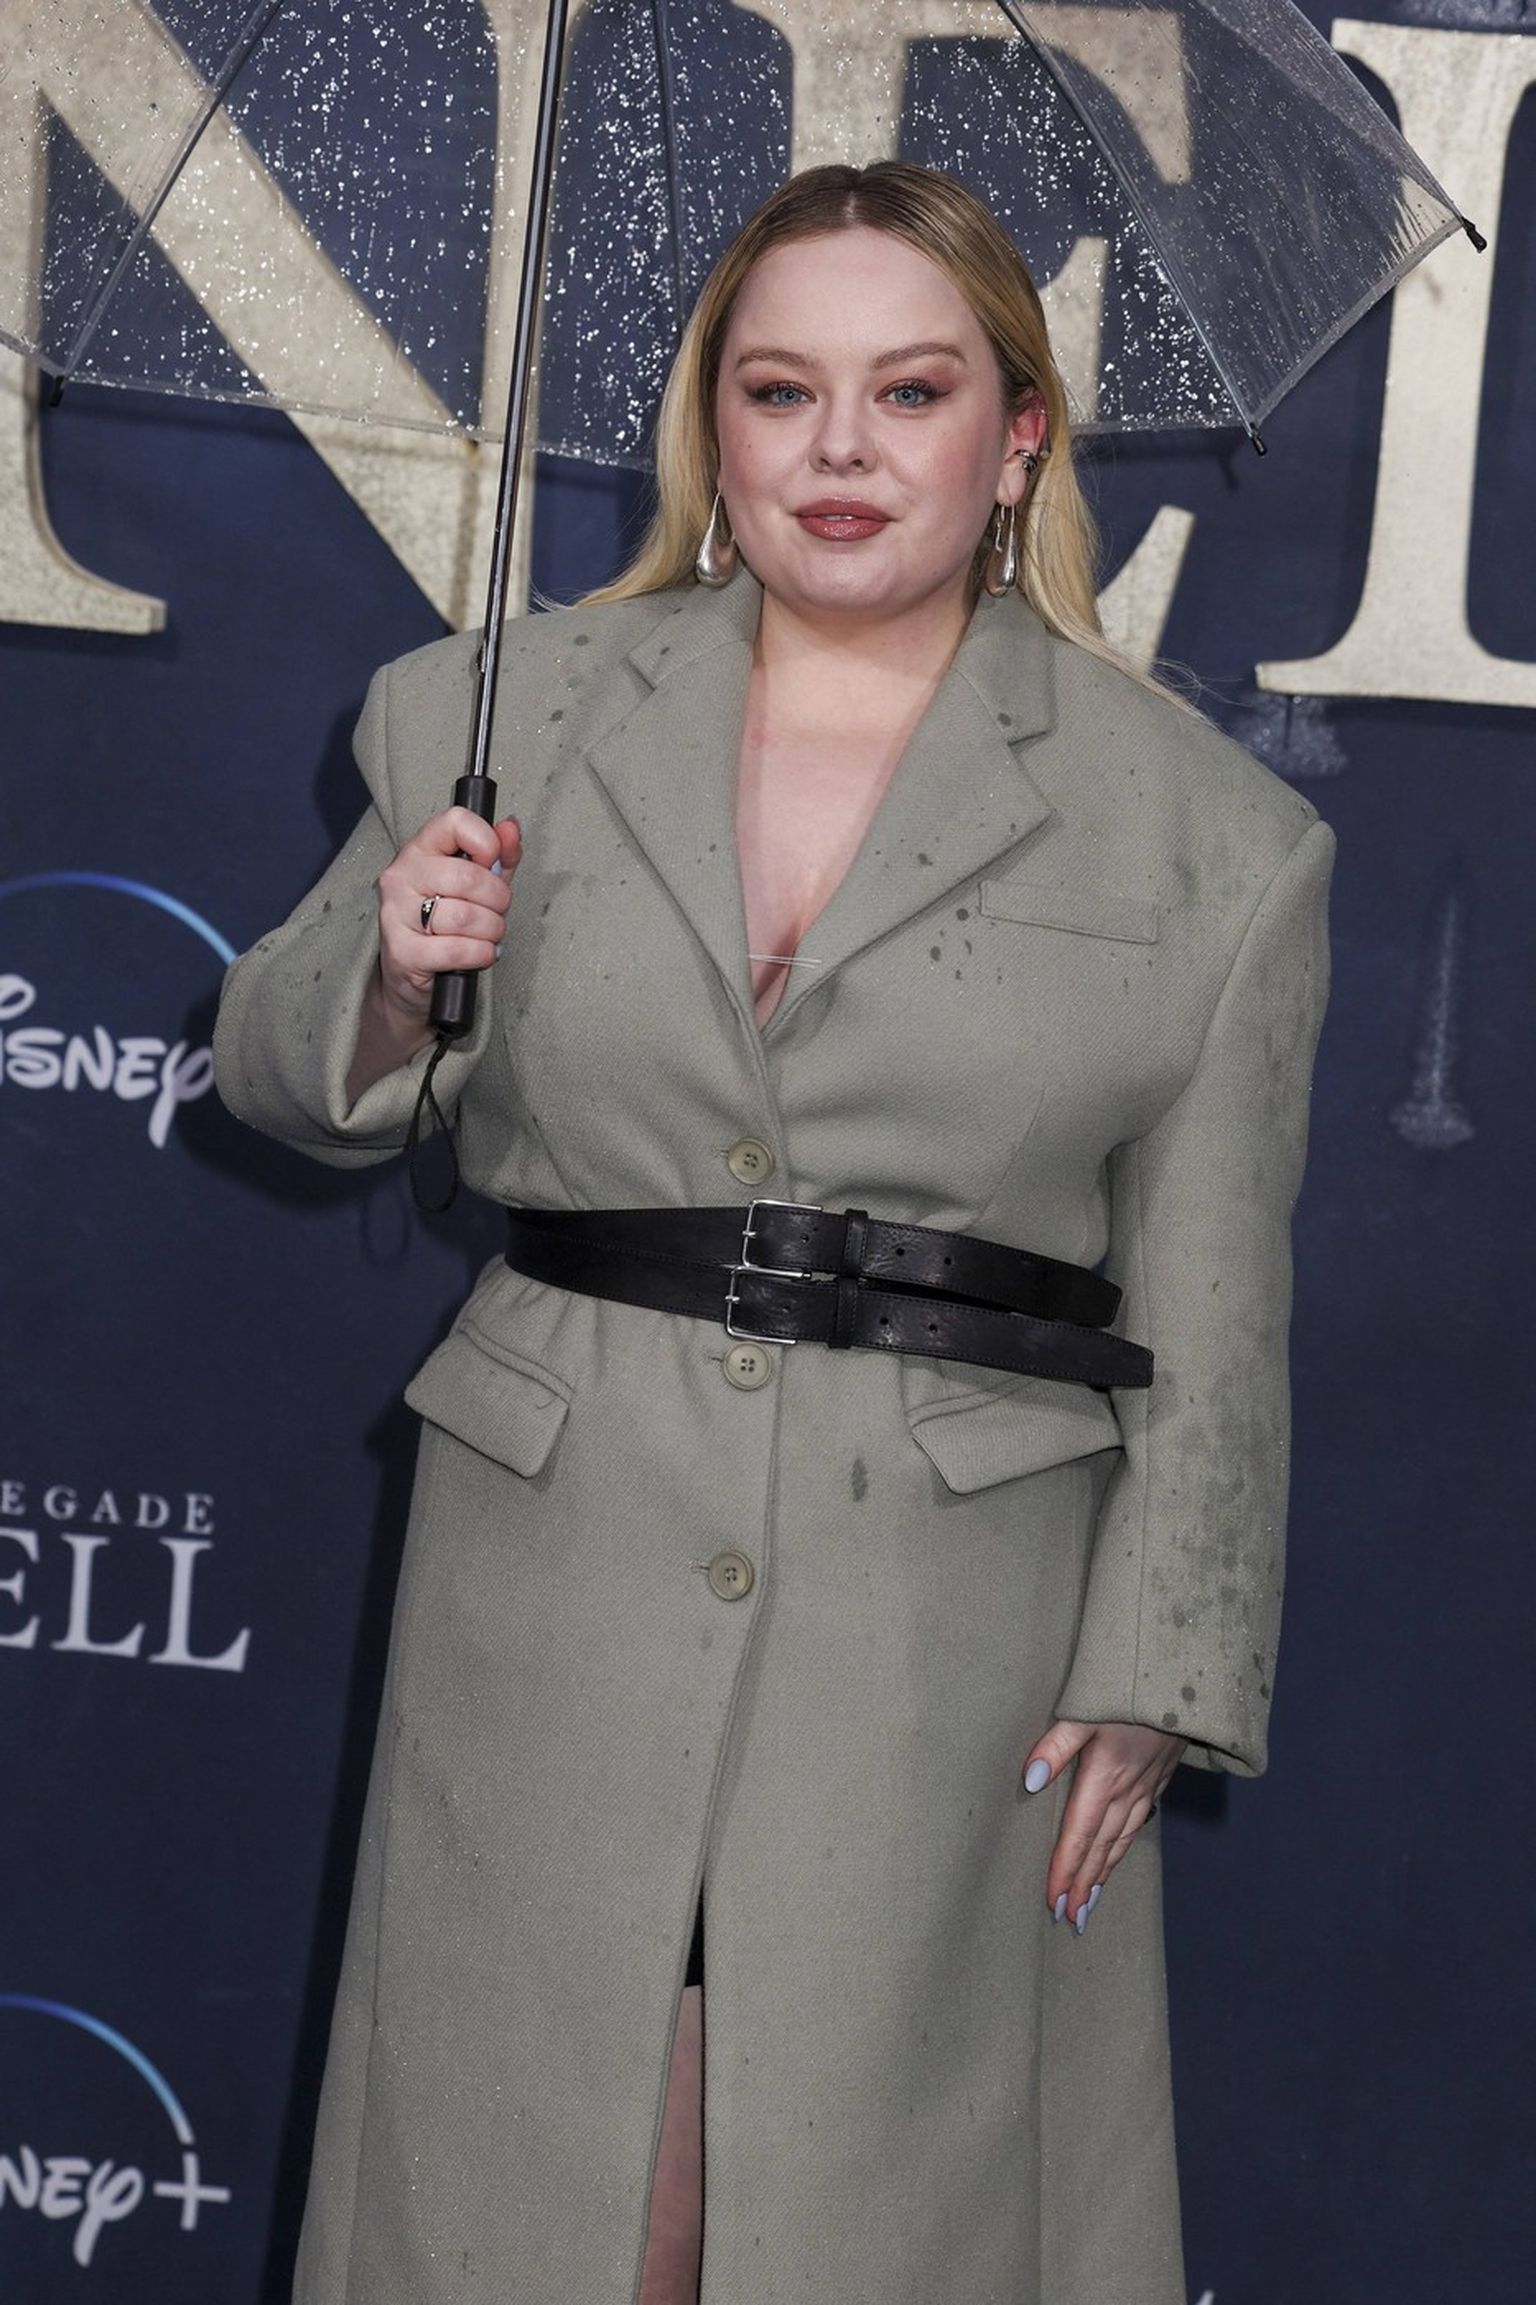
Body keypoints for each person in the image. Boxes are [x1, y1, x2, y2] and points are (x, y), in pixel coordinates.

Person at [213, 161, 1335, 2305]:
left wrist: (1163, 1667)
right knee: (519, 2201)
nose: (839, 449)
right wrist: (390, 974)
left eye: (910, 391)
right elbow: (276, 1068)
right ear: (711, 428)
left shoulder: (1210, 832)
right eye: (780, 389)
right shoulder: (499, 711)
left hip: (946, 1628)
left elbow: (1216, 1307)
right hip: (553, 1565)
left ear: (1018, 436)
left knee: (854, 2218)